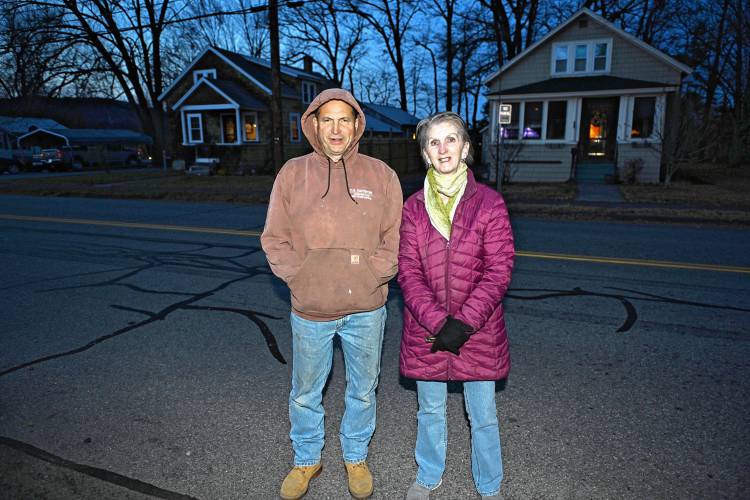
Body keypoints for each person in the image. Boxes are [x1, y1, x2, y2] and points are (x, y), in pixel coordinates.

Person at [261, 88, 403, 500]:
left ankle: (355, 456)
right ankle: (307, 460)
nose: (336, 128)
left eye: (345, 119)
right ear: (314, 125)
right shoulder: (292, 173)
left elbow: (397, 238)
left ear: (357, 124)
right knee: (306, 391)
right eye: (328, 120)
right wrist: (300, 278)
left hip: (366, 308)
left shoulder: (382, 175)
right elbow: (275, 238)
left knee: (363, 387)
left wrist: (374, 275)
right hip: (311, 309)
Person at [398, 112, 515, 500]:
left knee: (482, 416)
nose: (443, 148)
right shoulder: (412, 208)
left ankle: (490, 486)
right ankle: (428, 476)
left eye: (451, 140)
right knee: (430, 411)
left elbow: (499, 270)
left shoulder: (489, 204)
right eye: (434, 142)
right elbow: (408, 272)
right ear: (425, 154)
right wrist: (437, 322)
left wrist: (462, 323)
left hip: (477, 330)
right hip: (426, 330)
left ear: (466, 148)